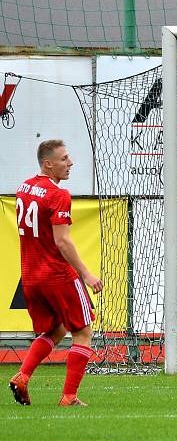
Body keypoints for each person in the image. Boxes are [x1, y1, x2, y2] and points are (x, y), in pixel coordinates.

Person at [9, 140, 103, 407]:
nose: (70, 163)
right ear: (48, 164)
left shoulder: (23, 188)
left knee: (56, 329)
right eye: (64, 159)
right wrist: (86, 274)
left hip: (31, 276)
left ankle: (22, 376)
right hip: (57, 275)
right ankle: (69, 397)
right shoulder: (58, 194)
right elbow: (62, 241)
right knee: (83, 331)